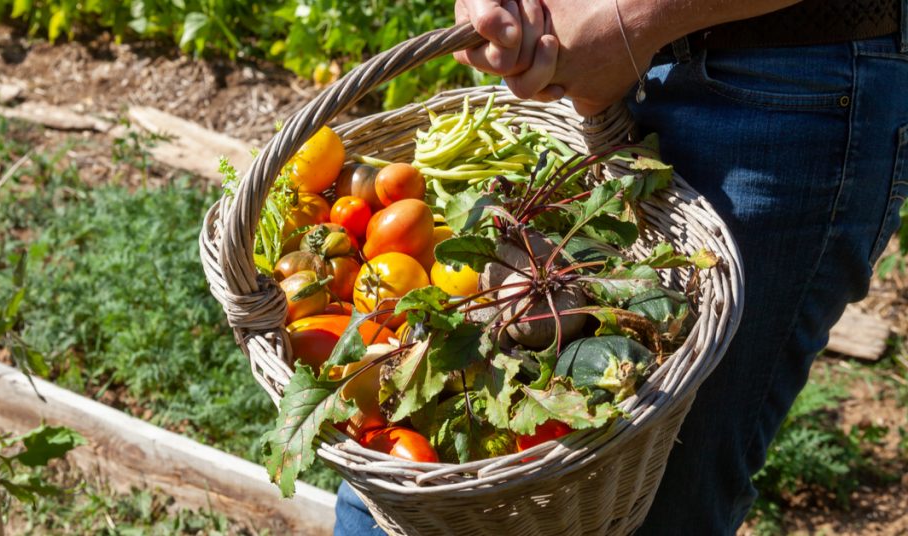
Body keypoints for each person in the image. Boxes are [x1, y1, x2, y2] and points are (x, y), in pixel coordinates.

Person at [335, 0, 908, 533]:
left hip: (771, 78)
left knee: (660, 495)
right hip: (572, 42)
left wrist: (636, 17)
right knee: (401, 491)